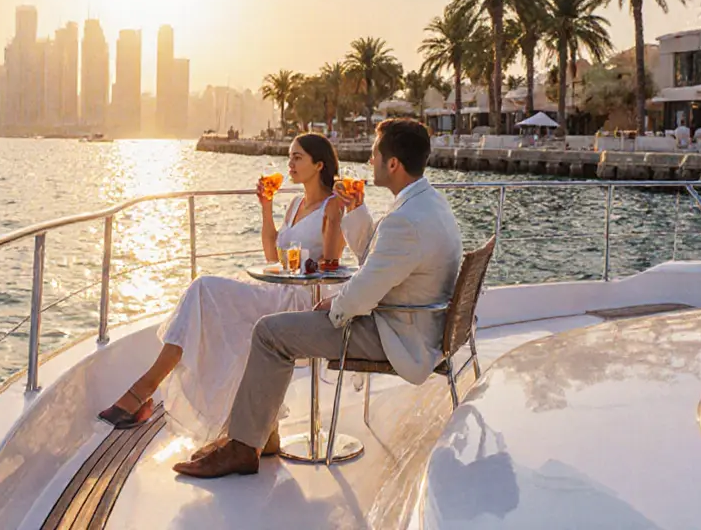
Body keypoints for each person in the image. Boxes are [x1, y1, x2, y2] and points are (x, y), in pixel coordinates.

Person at [173, 118, 464, 478]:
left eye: (374, 155)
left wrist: (335, 306)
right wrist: (357, 210)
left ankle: (244, 446)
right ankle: (259, 435)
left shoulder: (405, 220)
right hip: (417, 324)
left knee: (269, 333)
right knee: (279, 327)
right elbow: (377, 260)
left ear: (393, 164)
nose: (369, 161)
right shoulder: (429, 205)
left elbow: (367, 287)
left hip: (396, 335)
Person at [97, 133, 373, 447]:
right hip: (279, 287)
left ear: (319, 164)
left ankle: (144, 391)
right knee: (210, 307)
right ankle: (259, 428)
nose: (290, 163)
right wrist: (266, 206)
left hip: (305, 297)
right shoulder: (295, 203)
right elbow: (273, 258)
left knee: (204, 291)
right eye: (290, 156)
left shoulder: (333, 204)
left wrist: (334, 219)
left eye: (298, 157)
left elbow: (331, 261)